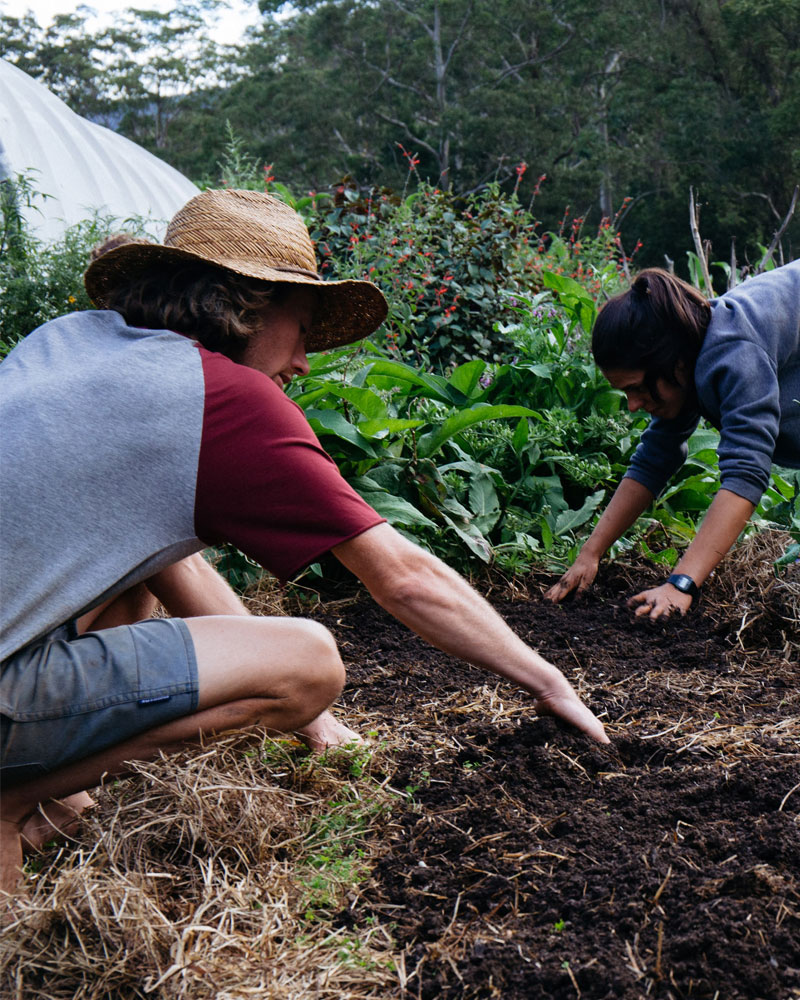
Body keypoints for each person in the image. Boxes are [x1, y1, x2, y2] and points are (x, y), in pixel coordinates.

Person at [0, 188, 608, 897]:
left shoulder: (65, 343)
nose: (305, 363)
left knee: (135, 579)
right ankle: (14, 799)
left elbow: (175, 564)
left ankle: (44, 793)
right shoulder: (222, 398)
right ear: (249, 304)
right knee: (311, 660)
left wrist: (313, 726)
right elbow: (402, 577)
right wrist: (547, 680)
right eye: (304, 324)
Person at [545, 261, 800, 617]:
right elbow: (654, 458)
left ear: (674, 362)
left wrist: (681, 583)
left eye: (635, 388)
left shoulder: (733, 352)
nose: (633, 405)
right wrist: (591, 553)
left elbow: (745, 475)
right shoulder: (689, 350)